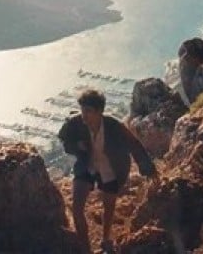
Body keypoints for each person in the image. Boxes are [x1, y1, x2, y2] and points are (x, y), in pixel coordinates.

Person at [57, 88, 158, 253]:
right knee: (77, 208)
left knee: (109, 207)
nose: (84, 115)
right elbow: (63, 137)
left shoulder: (114, 125)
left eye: (88, 111)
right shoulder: (75, 123)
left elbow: (134, 144)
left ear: (99, 111)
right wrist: (76, 146)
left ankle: (105, 240)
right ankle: (85, 249)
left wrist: (148, 168)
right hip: (86, 165)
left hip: (111, 167)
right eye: (82, 110)